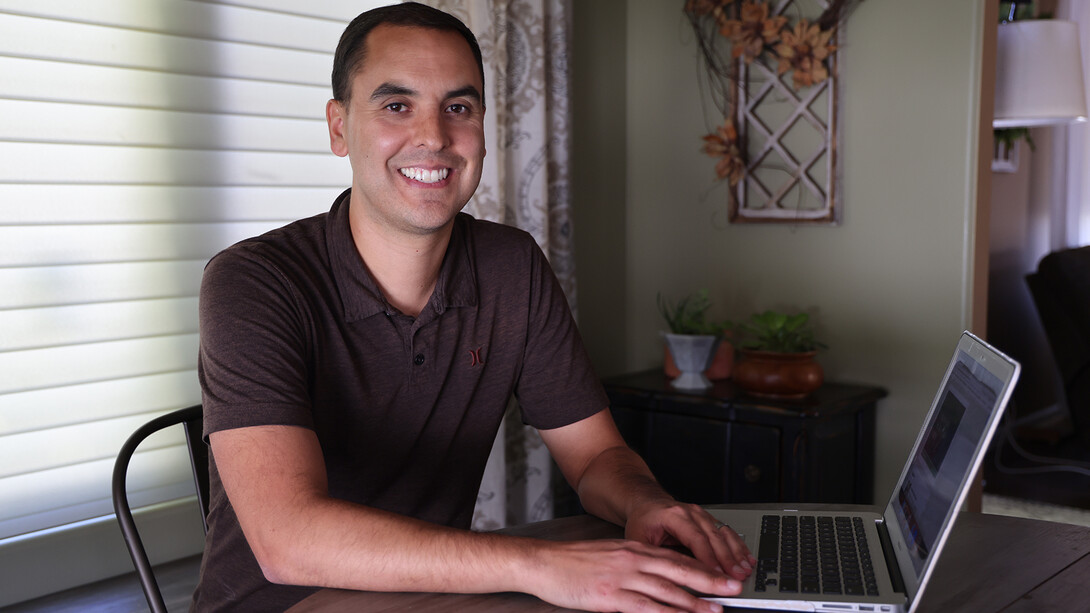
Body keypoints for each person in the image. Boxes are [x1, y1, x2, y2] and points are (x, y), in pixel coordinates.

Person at [192, 3, 753, 611]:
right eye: (396, 105)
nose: (434, 136)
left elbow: (595, 456)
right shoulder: (253, 281)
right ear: (338, 127)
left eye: (458, 108)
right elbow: (288, 541)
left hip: (436, 594)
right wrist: (538, 564)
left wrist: (644, 501)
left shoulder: (511, 267)